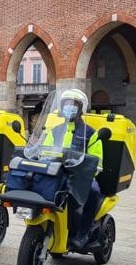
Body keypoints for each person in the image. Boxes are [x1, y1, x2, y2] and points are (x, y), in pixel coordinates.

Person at [41, 89, 104, 249]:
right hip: (57, 173)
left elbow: (97, 160)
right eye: (66, 104)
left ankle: (84, 232)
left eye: (74, 104)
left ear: (80, 108)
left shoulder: (91, 133)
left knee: (94, 191)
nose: (70, 107)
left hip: (81, 177)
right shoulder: (55, 131)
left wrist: (90, 171)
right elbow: (44, 152)